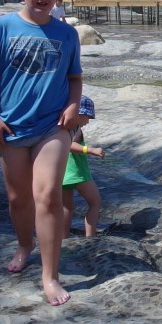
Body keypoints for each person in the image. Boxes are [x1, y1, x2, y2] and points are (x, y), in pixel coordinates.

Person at [0, 0, 83, 306]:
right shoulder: (1, 27)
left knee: (48, 196)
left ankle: (50, 276)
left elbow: (75, 78)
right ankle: (24, 244)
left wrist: (74, 105)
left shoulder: (67, 34)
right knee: (19, 199)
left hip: (54, 126)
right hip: (11, 126)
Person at [61, 95, 104, 239]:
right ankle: (90, 237)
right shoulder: (76, 128)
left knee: (67, 207)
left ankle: (63, 238)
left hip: (62, 174)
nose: (88, 121)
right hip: (77, 173)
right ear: (79, 114)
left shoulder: (61, 127)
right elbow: (69, 145)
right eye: (88, 117)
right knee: (95, 202)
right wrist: (91, 150)